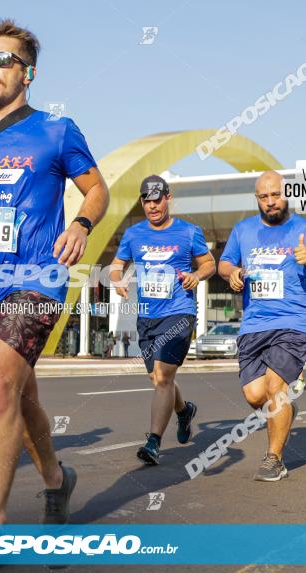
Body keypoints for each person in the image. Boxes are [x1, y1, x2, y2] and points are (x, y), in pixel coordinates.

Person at [0, 19, 109, 524]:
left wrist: (79, 224)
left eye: (3, 60)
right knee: (20, 394)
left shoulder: (57, 130)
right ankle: (56, 479)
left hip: (39, 278)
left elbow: (97, 190)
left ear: (27, 73)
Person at [218, 170, 306, 481]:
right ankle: (284, 412)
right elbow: (224, 262)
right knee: (255, 395)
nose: (271, 202)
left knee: (276, 388)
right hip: (254, 324)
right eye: (264, 197)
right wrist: (231, 272)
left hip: (292, 322)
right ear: (256, 199)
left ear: (286, 194)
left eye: (276, 195)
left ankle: (274, 459)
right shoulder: (243, 230)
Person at [111, 175, 215, 465]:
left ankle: (154, 442)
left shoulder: (188, 232)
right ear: (142, 202)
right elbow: (117, 266)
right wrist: (117, 280)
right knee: (158, 378)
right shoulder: (133, 235)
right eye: (147, 200)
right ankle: (183, 411)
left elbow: (209, 263)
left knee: (163, 378)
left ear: (168, 198)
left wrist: (196, 275)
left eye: (158, 199)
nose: (153, 205)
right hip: (146, 317)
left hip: (178, 312)